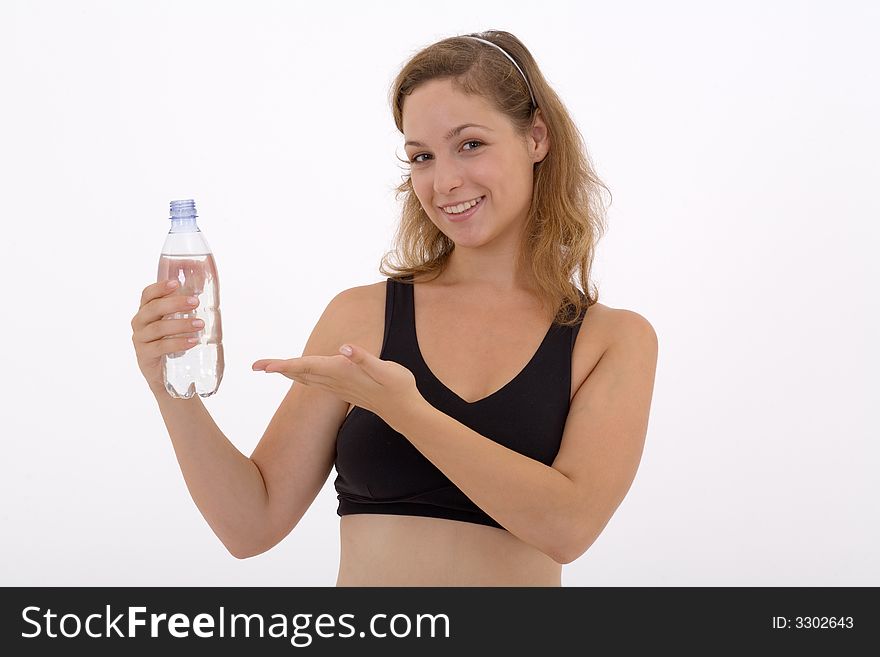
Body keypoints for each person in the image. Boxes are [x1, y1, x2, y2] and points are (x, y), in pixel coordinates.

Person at [130, 30, 658, 586]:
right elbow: (250, 526)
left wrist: (406, 411)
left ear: (536, 138)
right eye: (422, 157)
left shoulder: (611, 340)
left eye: (471, 144)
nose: (445, 181)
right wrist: (170, 388)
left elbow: (568, 528)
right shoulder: (361, 316)